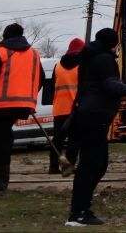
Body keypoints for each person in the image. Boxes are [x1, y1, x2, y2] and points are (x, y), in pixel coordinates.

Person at [66, 27, 126, 227]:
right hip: (95, 116)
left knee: (97, 164)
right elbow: (110, 85)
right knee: (91, 165)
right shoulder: (104, 60)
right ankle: (78, 212)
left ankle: (81, 207)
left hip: (87, 114)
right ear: (112, 44)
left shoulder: (88, 59)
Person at [0, 22, 44, 192]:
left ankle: (1, 179)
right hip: (22, 104)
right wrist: (28, 96)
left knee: (0, 139)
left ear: (5, 36)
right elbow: (40, 78)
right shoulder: (33, 54)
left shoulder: (0, 51)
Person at [49, 37, 84, 175]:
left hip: (59, 109)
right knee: (74, 140)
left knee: (57, 139)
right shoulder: (82, 66)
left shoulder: (57, 66)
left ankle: (53, 167)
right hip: (75, 109)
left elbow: (51, 87)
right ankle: (68, 166)